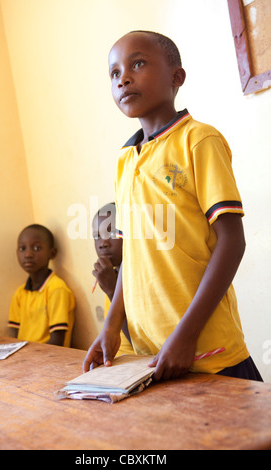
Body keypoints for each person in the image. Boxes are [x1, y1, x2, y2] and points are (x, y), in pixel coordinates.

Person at [83, 30, 263, 382]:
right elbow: (131, 255)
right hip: (149, 353)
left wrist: (186, 334)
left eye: (138, 64)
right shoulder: (124, 160)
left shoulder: (199, 140)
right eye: (115, 73)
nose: (125, 79)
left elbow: (232, 242)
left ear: (176, 77)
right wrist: (111, 326)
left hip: (207, 350)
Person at [8, 224, 75, 347]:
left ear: (52, 253)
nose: (28, 254)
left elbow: (57, 341)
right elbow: (16, 336)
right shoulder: (20, 293)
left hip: (51, 357)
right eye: (22, 248)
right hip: (26, 357)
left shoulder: (56, 289)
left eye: (37, 248)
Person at [92, 202, 134, 356]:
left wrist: (112, 290)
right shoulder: (110, 274)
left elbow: (142, 344)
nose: (103, 243)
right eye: (97, 236)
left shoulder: (139, 278)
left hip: (139, 362)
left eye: (113, 233)